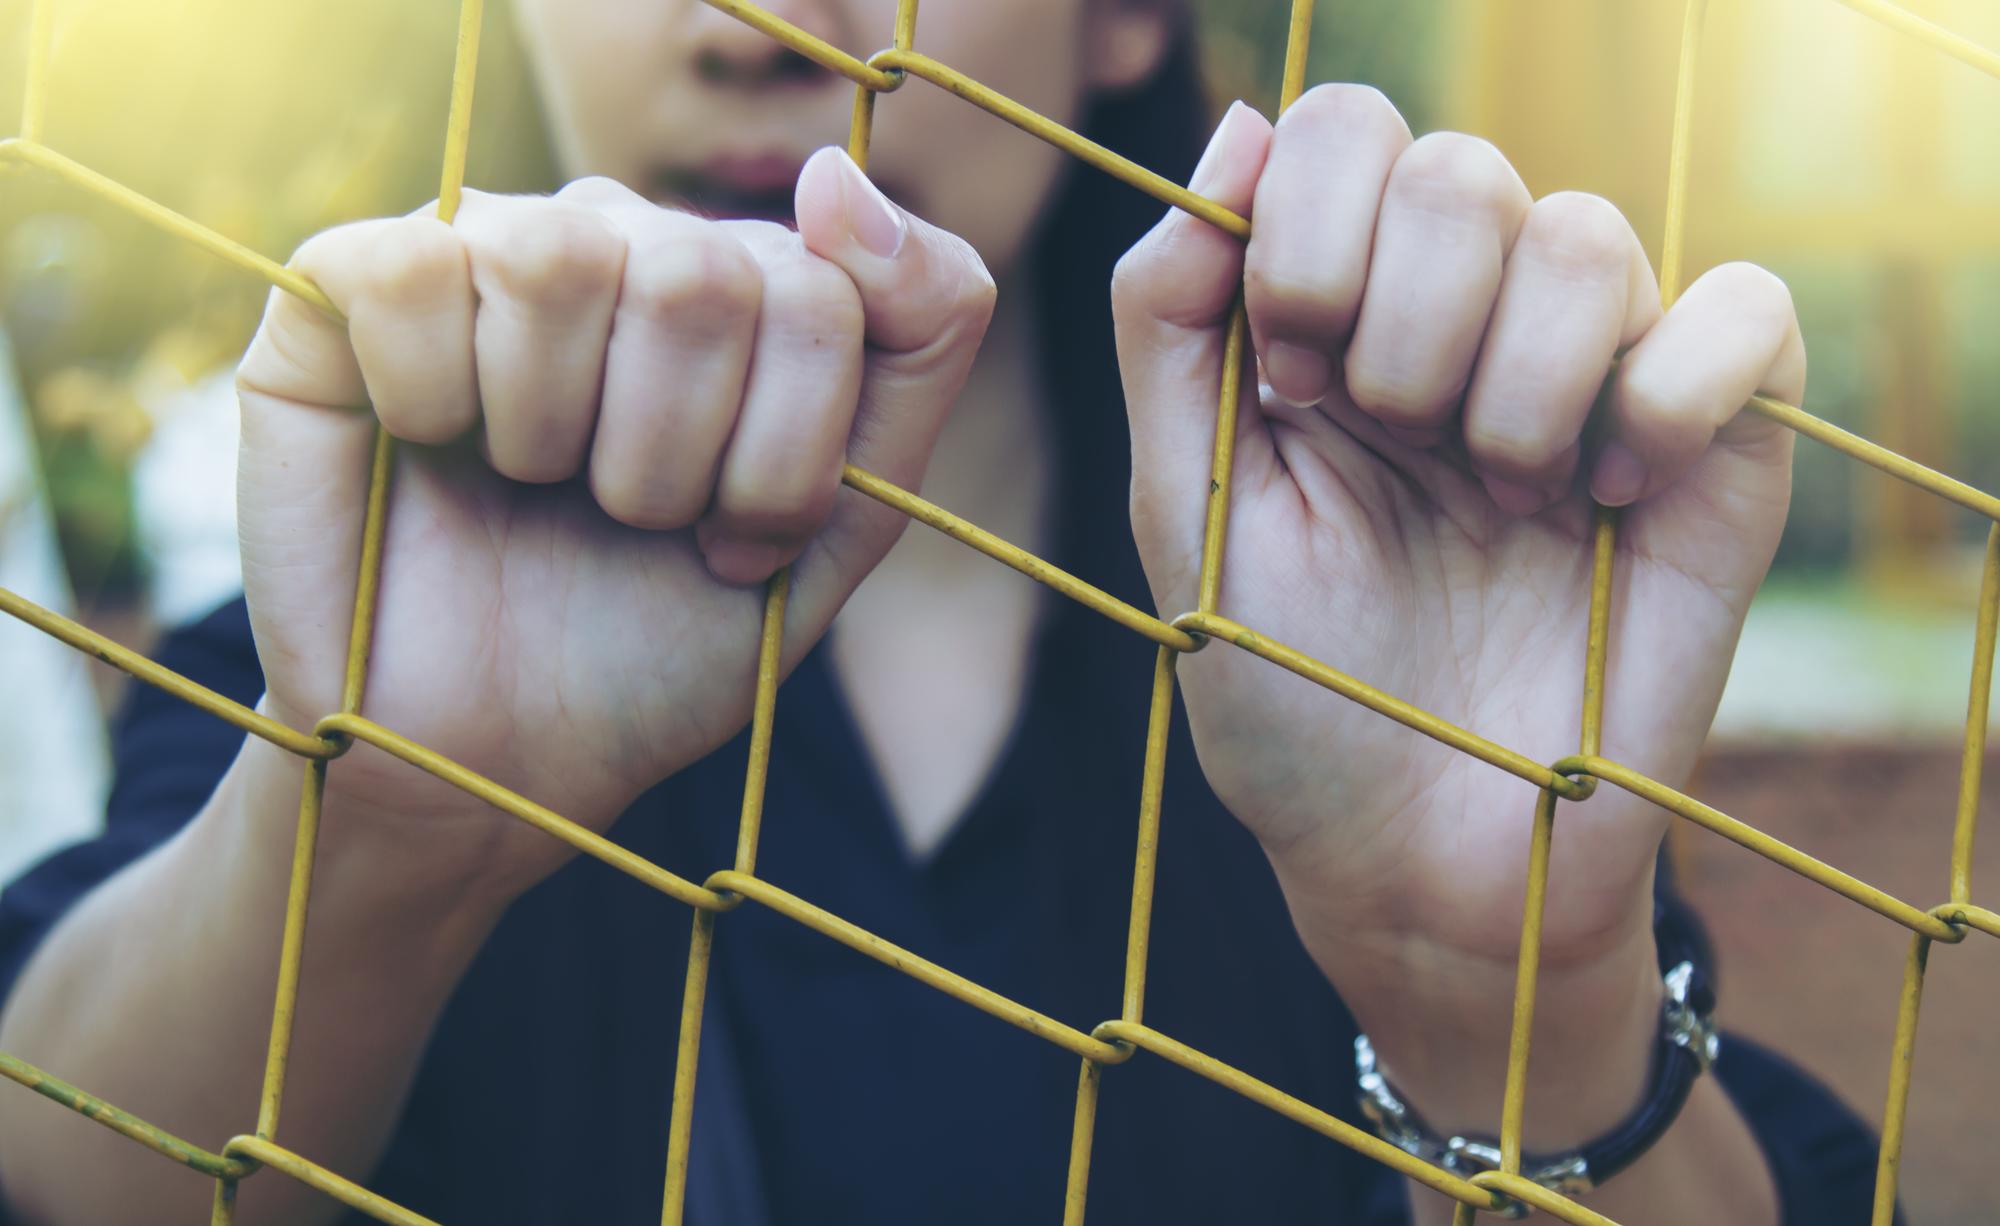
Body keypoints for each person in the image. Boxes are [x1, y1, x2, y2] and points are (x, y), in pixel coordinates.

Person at [0, 2, 1887, 1223]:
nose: (747, 31)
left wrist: (1516, 990)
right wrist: (374, 825)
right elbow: (63, 1148)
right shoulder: (368, 600)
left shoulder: (1388, 594)